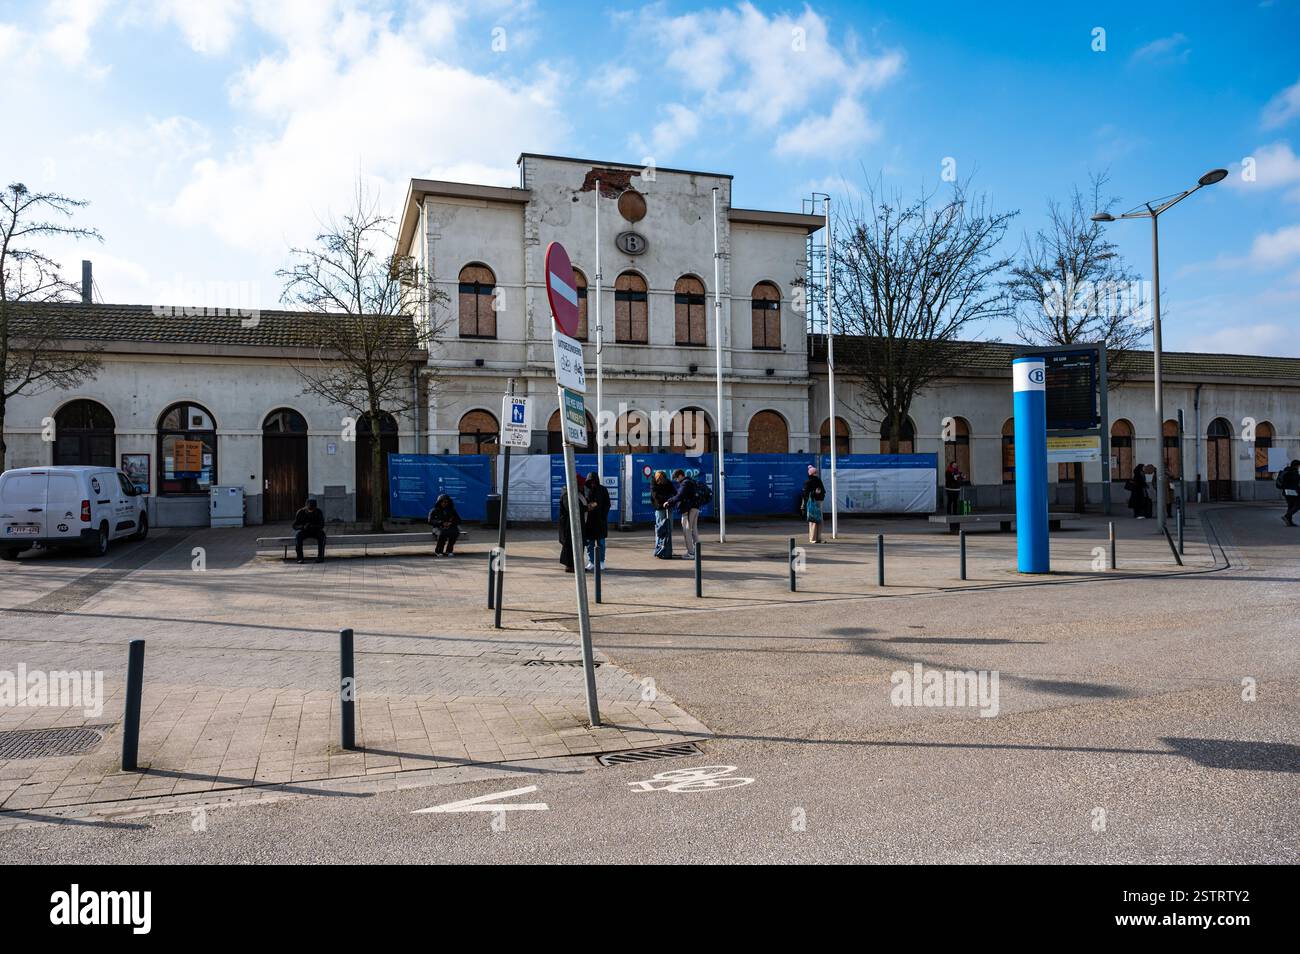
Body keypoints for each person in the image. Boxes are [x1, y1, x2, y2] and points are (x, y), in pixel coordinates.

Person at [664, 469, 700, 559]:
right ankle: (697, 551)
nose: (676, 480)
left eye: (676, 478)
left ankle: (691, 553)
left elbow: (680, 496)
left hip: (688, 510)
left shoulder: (685, 483)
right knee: (694, 531)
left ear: (680, 475)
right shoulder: (691, 481)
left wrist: (669, 501)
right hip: (695, 508)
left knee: (687, 531)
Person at [557, 470, 587, 573]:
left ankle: (576, 565)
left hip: (579, 524)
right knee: (570, 545)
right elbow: (572, 508)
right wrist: (587, 508)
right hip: (569, 525)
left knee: (579, 544)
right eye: (581, 485)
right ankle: (570, 566)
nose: (583, 486)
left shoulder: (578, 492)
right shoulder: (567, 494)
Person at [584, 471, 610, 570]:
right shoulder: (586, 490)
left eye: (594, 481)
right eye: (590, 481)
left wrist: (603, 516)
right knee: (589, 543)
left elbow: (607, 504)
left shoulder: (603, 490)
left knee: (601, 543)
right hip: (589, 522)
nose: (592, 483)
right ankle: (591, 562)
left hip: (600, 522)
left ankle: (601, 561)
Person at [292, 498, 326, 563]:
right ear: (306, 507)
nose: (311, 511)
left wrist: (313, 526)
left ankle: (320, 557)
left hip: (315, 531)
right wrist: (302, 527)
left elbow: (322, 525)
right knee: (298, 537)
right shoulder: (300, 512)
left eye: (313, 510)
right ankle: (300, 558)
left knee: (322, 536)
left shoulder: (319, 512)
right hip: (305, 531)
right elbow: (294, 526)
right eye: (309, 510)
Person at [650, 470, 674, 559]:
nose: (660, 481)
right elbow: (655, 495)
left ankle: (668, 548)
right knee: (660, 529)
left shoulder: (668, 482)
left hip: (669, 507)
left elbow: (674, 493)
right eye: (658, 479)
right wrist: (667, 500)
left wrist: (669, 501)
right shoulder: (653, 483)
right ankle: (658, 549)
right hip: (660, 508)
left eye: (662, 479)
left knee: (669, 529)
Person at [802, 464, 826, 543]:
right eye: (815, 472)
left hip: (819, 502)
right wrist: (814, 493)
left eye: (817, 472)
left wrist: (820, 494)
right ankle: (812, 539)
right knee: (813, 520)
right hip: (812, 502)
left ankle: (819, 538)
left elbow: (823, 491)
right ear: (812, 473)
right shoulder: (807, 482)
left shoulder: (819, 481)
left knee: (820, 520)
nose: (817, 473)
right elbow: (805, 494)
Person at [1279, 459, 1300, 527]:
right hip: (1292, 491)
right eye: (1298, 465)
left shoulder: (1287, 470)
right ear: (1296, 466)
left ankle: (1289, 522)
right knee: (1298, 505)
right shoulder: (1293, 472)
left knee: (1290, 506)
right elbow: (1294, 481)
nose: (1299, 467)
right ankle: (1287, 516)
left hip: (1286, 491)